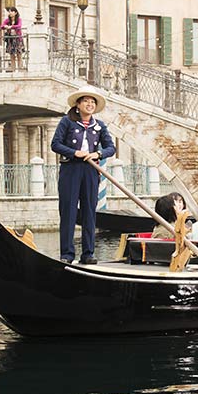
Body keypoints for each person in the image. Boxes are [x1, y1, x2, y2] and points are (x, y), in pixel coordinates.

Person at [51, 85, 116, 264]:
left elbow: (111, 147)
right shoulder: (67, 122)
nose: (89, 104)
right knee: (69, 211)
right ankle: (67, 254)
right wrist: (75, 152)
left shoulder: (99, 126)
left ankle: (88, 253)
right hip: (71, 169)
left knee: (89, 211)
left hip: (90, 170)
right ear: (78, 104)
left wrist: (98, 154)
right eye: (86, 101)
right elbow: (55, 144)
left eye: (92, 102)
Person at [0, 7, 23, 72]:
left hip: (18, 39)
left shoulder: (18, 19)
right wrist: (5, 26)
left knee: (19, 54)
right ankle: (13, 69)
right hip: (10, 39)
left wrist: (11, 26)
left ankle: (20, 69)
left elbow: (19, 25)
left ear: (15, 12)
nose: (10, 13)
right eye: (9, 11)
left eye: (12, 11)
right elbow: (2, 26)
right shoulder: (7, 20)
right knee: (12, 55)